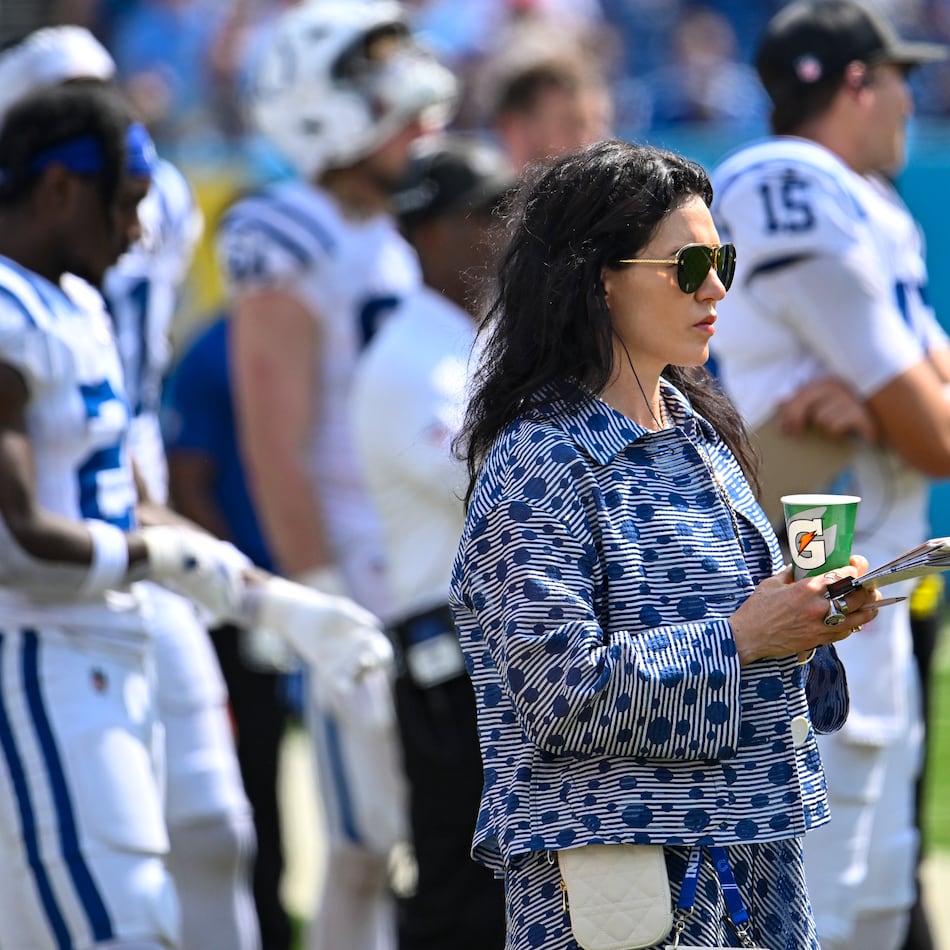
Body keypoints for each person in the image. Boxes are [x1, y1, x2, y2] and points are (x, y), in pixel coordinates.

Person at [449, 138, 883, 950]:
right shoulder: (539, 460)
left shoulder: (701, 438)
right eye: (686, 266)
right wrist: (745, 635)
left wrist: (810, 620)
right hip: (621, 897)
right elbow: (560, 695)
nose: (717, 286)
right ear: (598, 279)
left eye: (722, 258)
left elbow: (780, 688)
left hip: (757, 878)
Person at [0, 25, 261, 950]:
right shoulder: (9, 309)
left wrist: (254, 591)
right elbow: (16, 535)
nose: (139, 230)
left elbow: (120, 486)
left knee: (180, 874)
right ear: (60, 187)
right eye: (124, 204)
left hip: (106, 639)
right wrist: (153, 555)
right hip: (35, 650)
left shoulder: (72, 301)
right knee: (115, 930)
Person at [708, 3, 950, 948]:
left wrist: (900, 411)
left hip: (873, 572)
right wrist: (907, 416)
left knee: (883, 892)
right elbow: (932, 435)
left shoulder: (871, 202)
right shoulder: (787, 180)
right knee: (828, 899)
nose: (907, 100)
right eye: (897, 79)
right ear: (855, 83)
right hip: (808, 572)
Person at [217, 2, 458, 948]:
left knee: (430, 830)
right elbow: (273, 441)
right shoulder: (288, 230)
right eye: (378, 80)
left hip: (424, 561)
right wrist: (315, 593)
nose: (415, 111)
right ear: (317, 106)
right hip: (356, 575)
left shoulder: (407, 228)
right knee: (364, 841)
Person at [351, 135, 513, 950]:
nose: (500, 230)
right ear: (424, 232)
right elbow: (496, 490)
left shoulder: (471, 343)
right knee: (461, 884)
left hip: (483, 646)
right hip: (445, 654)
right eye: (481, 214)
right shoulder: (407, 360)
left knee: (505, 882)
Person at [164, 312, 296, 950]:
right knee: (249, 779)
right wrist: (242, 595)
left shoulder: (302, 327)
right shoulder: (213, 348)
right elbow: (188, 479)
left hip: (295, 591)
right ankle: (264, 923)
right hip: (236, 607)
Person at [481, 51, 613, 172]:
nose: (590, 141)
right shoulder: (472, 194)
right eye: (569, 124)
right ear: (514, 128)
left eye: (598, 125)